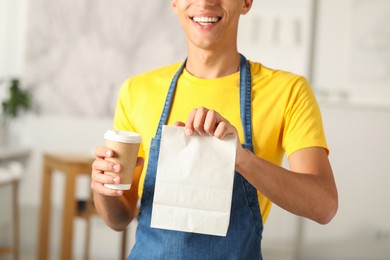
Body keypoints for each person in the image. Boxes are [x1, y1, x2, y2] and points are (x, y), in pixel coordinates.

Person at [91, 0, 338, 259]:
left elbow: (324, 206)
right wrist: (103, 189)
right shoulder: (136, 92)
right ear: (174, 2)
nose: (205, 2)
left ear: (246, 2)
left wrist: (242, 159)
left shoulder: (288, 92)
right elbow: (120, 218)